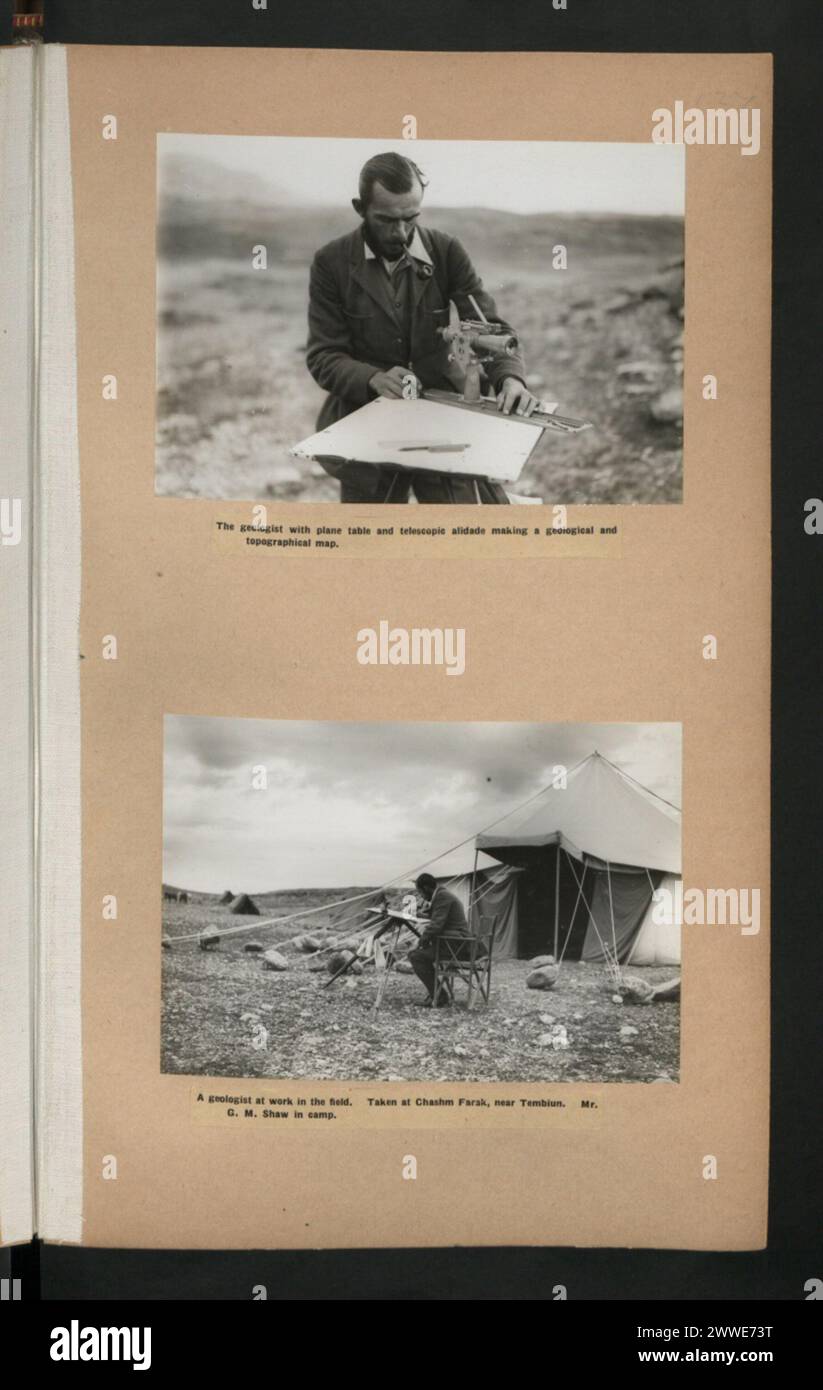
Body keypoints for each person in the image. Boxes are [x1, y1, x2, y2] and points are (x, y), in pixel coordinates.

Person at [305, 151, 540, 503]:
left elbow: (489, 327)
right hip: (368, 428)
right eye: (386, 220)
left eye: (411, 218)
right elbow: (324, 355)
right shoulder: (331, 263)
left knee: (460, 535)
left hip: (443, 428)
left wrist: (510, 378)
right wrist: (372, 378)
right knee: (371, 541)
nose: (401, 233)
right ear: (360, 207)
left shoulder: (446, 251)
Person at [407, 873, 480, 1008]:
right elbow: (435, 915)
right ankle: (437, 993)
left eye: (421, 892)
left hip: (455, 946)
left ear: (427, 888)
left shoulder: (442, 896)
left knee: (415, 956)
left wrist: (420, 941)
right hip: (453, 942)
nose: (421, 896)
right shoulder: (442, 895)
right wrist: (418, 914)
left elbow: (436, 925)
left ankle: (439, 996)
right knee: (420, 954)